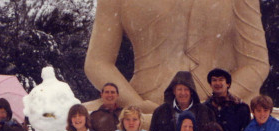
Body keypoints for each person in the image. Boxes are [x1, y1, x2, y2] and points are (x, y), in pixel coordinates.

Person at [84, 0, 269, 112]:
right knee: (82, 121)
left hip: (217, 109)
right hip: (143, 105)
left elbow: (255, 64)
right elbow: (98, 62)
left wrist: (217, 102)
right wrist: (135, 104)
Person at [150, 71, 215, 131]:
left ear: (191, 91)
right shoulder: (160, 112)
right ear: (173, 91)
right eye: (179, 89)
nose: (183, 93)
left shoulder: (204, 112)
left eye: (186, 89)